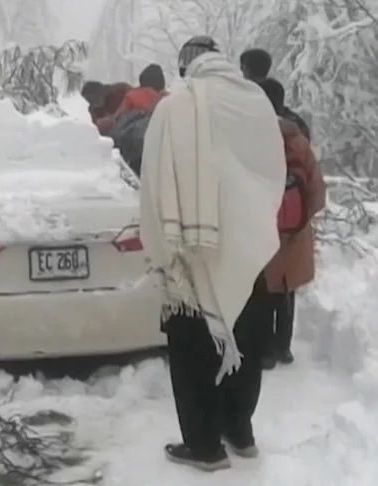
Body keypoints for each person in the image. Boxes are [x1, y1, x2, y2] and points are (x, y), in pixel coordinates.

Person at [139, 36, 286, 471]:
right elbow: (271, 170)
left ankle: (204, 445)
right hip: (250, 247)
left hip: (193, 253)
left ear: (186, 68)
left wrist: (162, 243)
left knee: (192, 351)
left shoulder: (175, 108)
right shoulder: (256, 102)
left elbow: (154, 182)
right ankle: (240, 432)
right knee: (246, 337)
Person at [257, 78, 326, 368]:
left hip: (261, 229)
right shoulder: (298, 141)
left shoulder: (252, 138)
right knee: (287, 290)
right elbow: (318, 192)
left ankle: (263, 350)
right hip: (295, 231)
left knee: (261, 292)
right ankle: (283, 347)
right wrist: (300, 219)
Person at [107, 64, 168, 176]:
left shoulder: (132, 95)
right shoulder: (167, 99)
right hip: (157, 147)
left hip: (131, 147)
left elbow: (118, 118)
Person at [240, 48, 311, 140]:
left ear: (247, 69)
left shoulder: (248, 110)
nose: (241, 69)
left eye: (243, 66)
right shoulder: (295, 122)